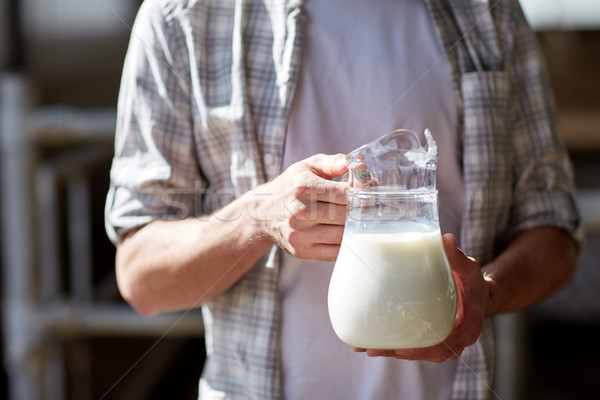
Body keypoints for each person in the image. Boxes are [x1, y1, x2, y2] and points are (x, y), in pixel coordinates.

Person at [105, 0, 581, 398]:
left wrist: (489, 290)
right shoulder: (185, 16)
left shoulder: (486, 11)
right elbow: (140, 276)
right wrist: (256, 217)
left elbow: (554, 234)